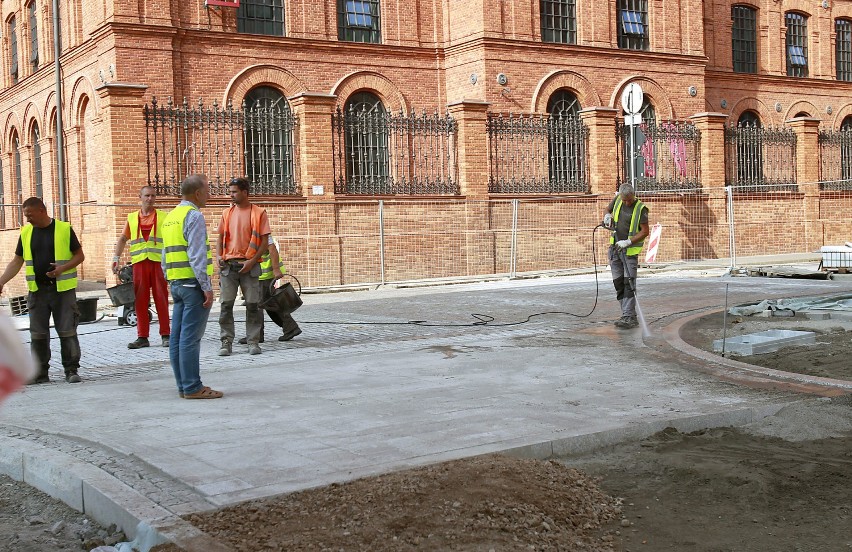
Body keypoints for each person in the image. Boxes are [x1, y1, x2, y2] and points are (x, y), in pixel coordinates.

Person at [0, 197, 85, 383]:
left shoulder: (63, 229)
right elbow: (17, 261)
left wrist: (62, 269)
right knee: (37, 334)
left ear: (41, 211)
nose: (27, 219)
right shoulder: (26, 233)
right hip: (37, 291)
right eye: (25, 215)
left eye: (29, 215)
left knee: (67, 331)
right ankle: (40, 373)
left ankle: (71, 370)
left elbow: (80, 256)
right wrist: (2, 281)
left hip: (62, 291)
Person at [161, 174, 222, 399]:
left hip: (177, 284)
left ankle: (183, 386)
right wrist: (206, 287)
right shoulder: (193, 216)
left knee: (177, 339)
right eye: (207, 190)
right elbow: (196, 256)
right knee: (190, 339)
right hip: (193, 285)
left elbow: (164, 257)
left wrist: (170, 281)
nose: (209, 194)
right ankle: (193, 387)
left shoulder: (170, 217)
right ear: (197, 193)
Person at [216, 177, 270, 356]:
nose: (231, 195)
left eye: (234, 192)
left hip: (249, 266)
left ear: (245, 192)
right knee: (226, 305)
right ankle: (226, 342)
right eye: (230, 191)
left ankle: (253, 341)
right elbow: (220, 237)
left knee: (253, 305)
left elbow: (264, 242)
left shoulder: (259, 213)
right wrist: (218, 256)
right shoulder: (227, 213)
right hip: (229, 266)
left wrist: (252, 262)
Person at [112, 185, 171, 349]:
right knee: (140, 301)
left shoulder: (163, 217)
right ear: (140, 197)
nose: (150, 199)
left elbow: (171, 239)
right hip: (139, 265)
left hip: (158, 263)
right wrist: (116, 258)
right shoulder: (132, 218)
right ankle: (142, 337)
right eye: (147, 196)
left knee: (161, 299)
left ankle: (166, 335)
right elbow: (123, 238)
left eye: (153, 196)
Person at [238, 235, 301, 344]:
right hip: (260, 274)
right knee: (269, 303)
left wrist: (276, 269)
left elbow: (272, 249)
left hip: (263, 274)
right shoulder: (248, 229)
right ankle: (290, 328)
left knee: (255, 304)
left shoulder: (258, 230)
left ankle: (256, 335)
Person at [603, 183, 649, 329]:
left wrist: (629, 241)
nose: (627, 203)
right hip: (615, 249)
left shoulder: (640, 208)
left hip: (629, 253)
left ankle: (628, 316)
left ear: (633, 195)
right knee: (619, 284)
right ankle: (627, 315)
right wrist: (607, 216)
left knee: (629, 284)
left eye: (629, 200)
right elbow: (607, 209)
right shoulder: (617, 199)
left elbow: (645, 231)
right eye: (624, 200)